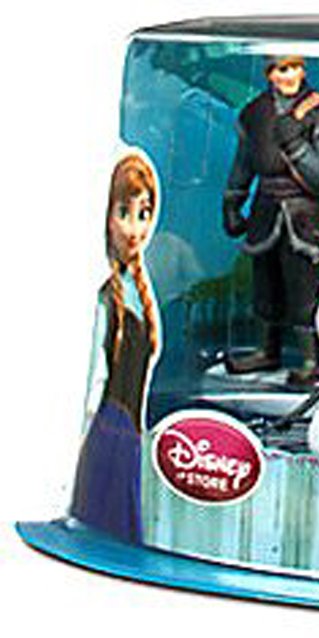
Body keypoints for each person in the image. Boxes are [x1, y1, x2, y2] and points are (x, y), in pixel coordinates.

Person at [222, 55, 319, 385]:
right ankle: (266, 350)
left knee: (304, 287)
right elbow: (244, 162)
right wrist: (232, 202)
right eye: (280, 69)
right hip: (264, 209)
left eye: (293, 68)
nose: (288, 76)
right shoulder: (254, 112)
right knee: (265, 284)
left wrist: (296, 145)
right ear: (269, 74)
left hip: (304, 214)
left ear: (303, 70)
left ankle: (310, 360)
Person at [70, 151, 161, 543]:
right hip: (107, 432)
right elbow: (95, 379)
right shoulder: (107, 297)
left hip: (130, 434)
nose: (135, 228)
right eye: (124, 212)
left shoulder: (137, 292)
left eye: (144, 213)